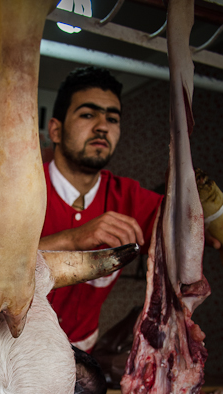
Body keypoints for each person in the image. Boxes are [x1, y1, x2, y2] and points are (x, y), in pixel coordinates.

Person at [39, 67, 162, 352]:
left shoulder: (129, 197)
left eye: (112, 118)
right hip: (8, 366)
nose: (102, 126)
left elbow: (194, 228)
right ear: (55, 130)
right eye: (87, 114)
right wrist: (72, 239)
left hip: (80, 363)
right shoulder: (19, 190)